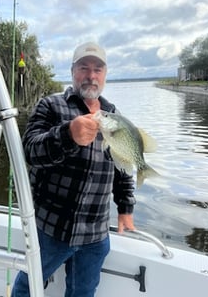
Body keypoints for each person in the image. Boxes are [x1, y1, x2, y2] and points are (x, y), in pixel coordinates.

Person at [11, 42, 136, 297]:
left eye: (97, 69)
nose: (91, 75)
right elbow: (30, 151)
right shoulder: (50, 105)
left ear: (105, 74)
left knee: (83, 293)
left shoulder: (114, 115)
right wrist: (68, 135)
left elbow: (123, 168)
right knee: (27, 286)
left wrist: (125, 208)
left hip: (96, 234)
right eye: (84, 67)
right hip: (52, 229)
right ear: (72, 71)